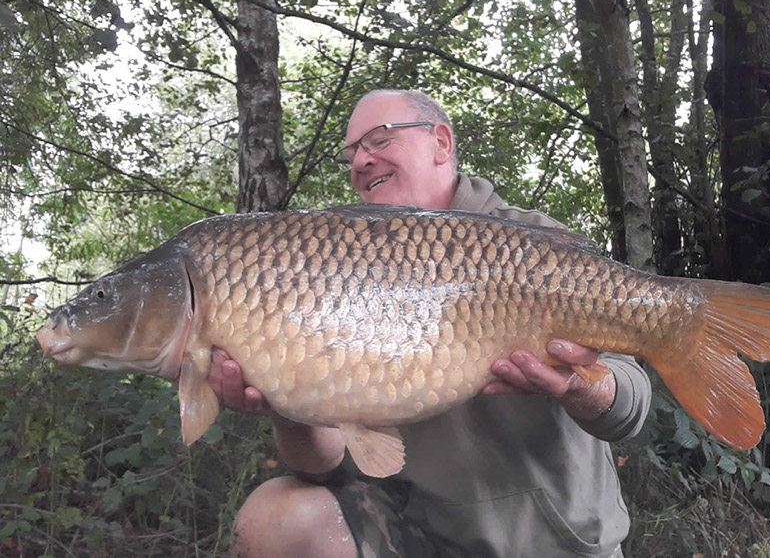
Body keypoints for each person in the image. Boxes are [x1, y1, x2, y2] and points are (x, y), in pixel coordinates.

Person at [209, 89, 652, 558]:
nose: (360, 161)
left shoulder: (534, 248)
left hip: (550, 544)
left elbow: (631, 405)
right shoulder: (332, 267)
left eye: (379, 139)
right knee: (276, 517)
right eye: (352, 152)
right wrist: (283, 398)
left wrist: (576, 386)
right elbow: (323, 466)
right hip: (415, 539)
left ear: (441, 143)